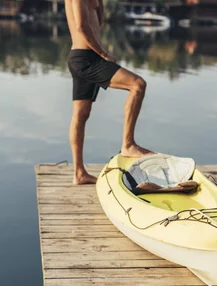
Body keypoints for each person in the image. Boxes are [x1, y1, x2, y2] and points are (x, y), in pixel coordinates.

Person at [65, 0, 153, 184]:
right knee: (137, 85)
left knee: (80, 115)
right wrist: (104, 54)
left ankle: (79, 173)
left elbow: (100, 22)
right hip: (87, 58)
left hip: (80, 57)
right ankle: (128, 145)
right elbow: (81, 27)